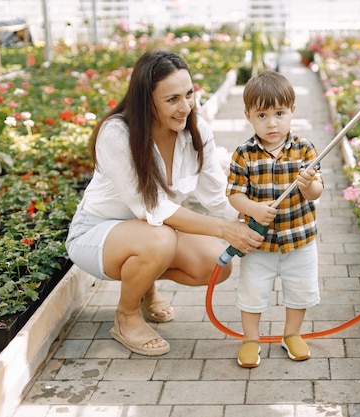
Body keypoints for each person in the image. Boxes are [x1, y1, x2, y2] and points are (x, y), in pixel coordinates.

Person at [65, 50, 264, 357]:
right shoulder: (117, 133)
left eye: (189, 94)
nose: (185, 107)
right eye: (172, 100)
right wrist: (226, 229)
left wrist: (256, 216)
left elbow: (216, 195)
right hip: (97, 235)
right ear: (147, 101)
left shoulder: (196, 133)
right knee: (159, 238)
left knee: (216, 264)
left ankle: (144, 284)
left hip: (151, 233)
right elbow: (154, 209)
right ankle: (126, 316)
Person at [226, 70, 324, 368]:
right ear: (248, 115)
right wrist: (253, 209)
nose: (272, 123)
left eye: (279, 113)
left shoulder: (304, 148)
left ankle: (291, 334)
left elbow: (317, 191)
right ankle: (251, 338)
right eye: (262, 115)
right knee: (252, 290)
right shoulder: (244, 154)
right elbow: (234, 194)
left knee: (300, 289)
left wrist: (308, 185)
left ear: (292, 111)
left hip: (300, 238)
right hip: (259, 242)